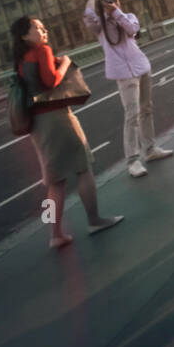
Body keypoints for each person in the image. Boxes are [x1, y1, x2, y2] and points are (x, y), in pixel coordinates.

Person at [11, 15, 123, 248]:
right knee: (83, 168)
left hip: (38, 124)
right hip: (57, 118)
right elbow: (51, 81)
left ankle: (56, 234)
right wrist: (64, 63)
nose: (44, 31)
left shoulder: (21, 58)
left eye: (43, 27)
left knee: (55, 181)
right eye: (38, 28)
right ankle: (94, 220)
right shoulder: (42, 51)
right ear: (24, 34)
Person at [83, 0, 174, 179]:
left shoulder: (128, 16)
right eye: (108, 1)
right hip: (123, 73)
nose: (112, 3)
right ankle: (133, 160)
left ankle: (149, 149)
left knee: (146, 109)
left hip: (140, 66)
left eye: (115, 0)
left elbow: (133, 29)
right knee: (132, 114)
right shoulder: (99, 26)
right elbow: (88, 19)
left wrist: (115, 11)